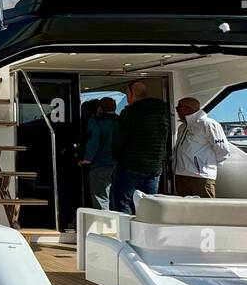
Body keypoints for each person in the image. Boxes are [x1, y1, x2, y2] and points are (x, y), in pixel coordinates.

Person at [111, 80, 170, 214]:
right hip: (154, 166)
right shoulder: (163, 111)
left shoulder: (131, 112)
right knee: (148, 203)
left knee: (123, 201)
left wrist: (119, 157)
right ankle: (148, 231)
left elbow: (119, 139)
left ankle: (128, 233)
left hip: (131, 165)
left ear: (131, 95)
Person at [173, 96, 230, 198]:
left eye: (178, 108)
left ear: (186, 109)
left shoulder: (208, 124)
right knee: (184, 210)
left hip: (201, 177)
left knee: (206, 210)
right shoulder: (182, 127)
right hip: (181, 175)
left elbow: (223, 149)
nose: (176, 111)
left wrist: (206, 166)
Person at [79, 96, 118, 209]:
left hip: (100, 164)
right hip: (119, 165)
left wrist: (86, 159)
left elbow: (93, 141)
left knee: (101, 198)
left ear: (99, 109)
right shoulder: (121, 121)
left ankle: (104, 225)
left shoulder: (96, 121)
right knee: (116, 198)